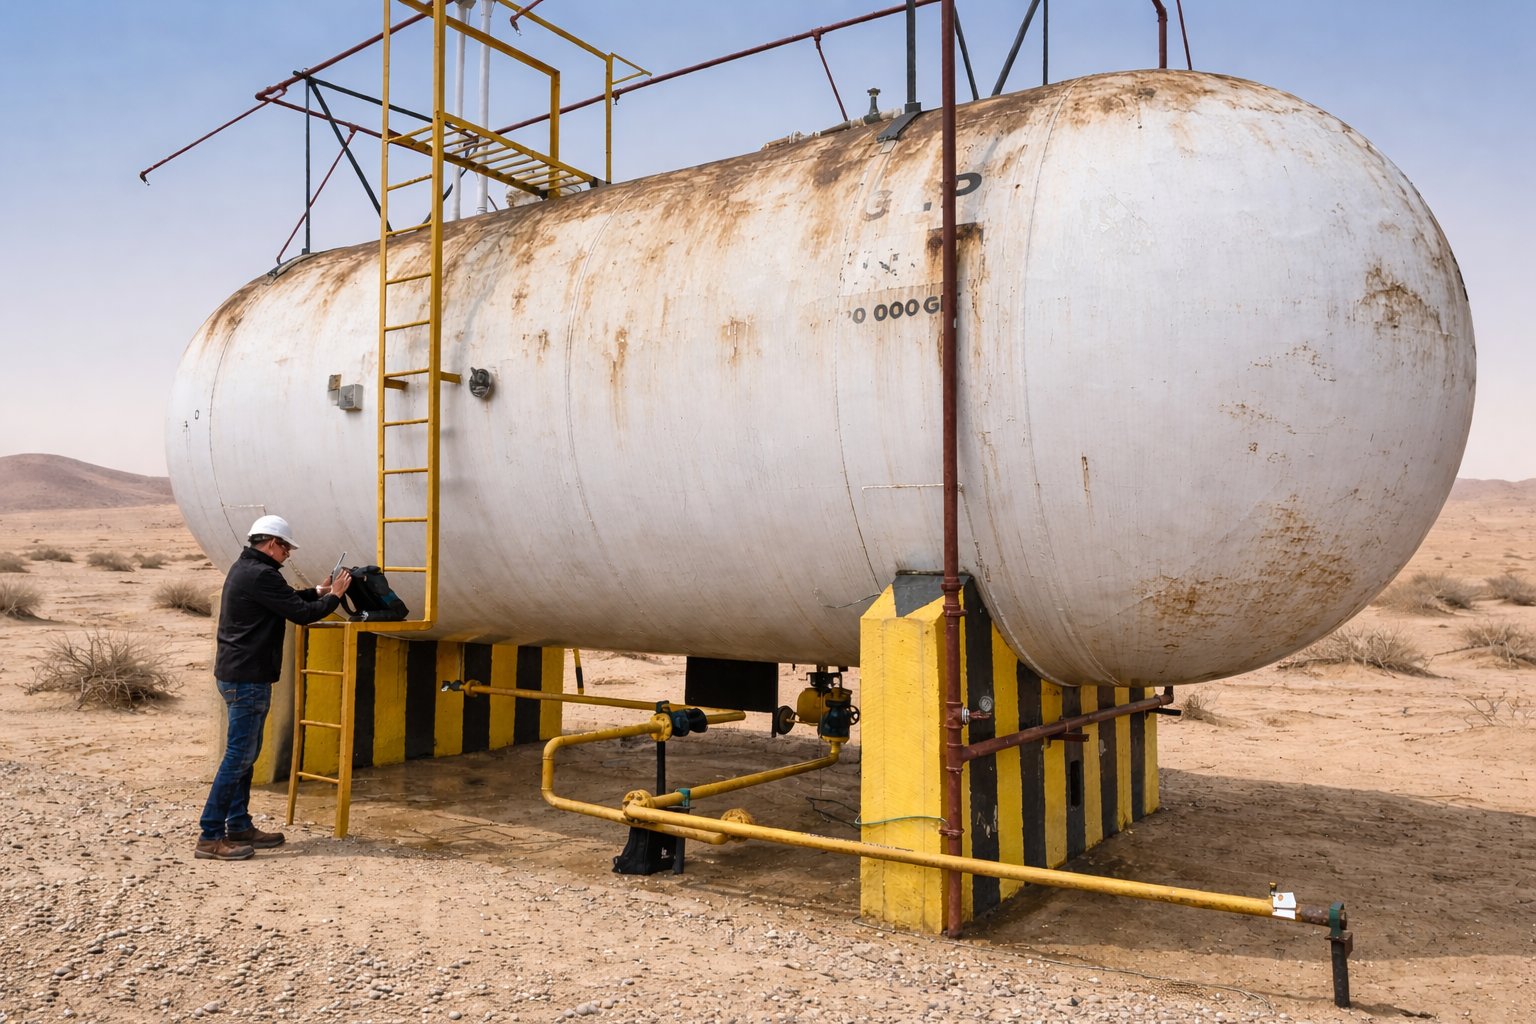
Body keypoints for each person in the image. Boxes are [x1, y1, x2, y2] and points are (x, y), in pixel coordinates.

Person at [196, 515, 353, 861]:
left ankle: (238, 825)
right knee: (238, 758)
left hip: (238, 675)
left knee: (244, 758)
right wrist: (335, 598)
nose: (288, 555)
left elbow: (287, 600)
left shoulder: (247, 570)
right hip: (247, 679)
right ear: (270, 544)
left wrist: (318, 591)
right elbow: (301, 614)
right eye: (285, 548)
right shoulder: (262, 574)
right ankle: (210, 835)